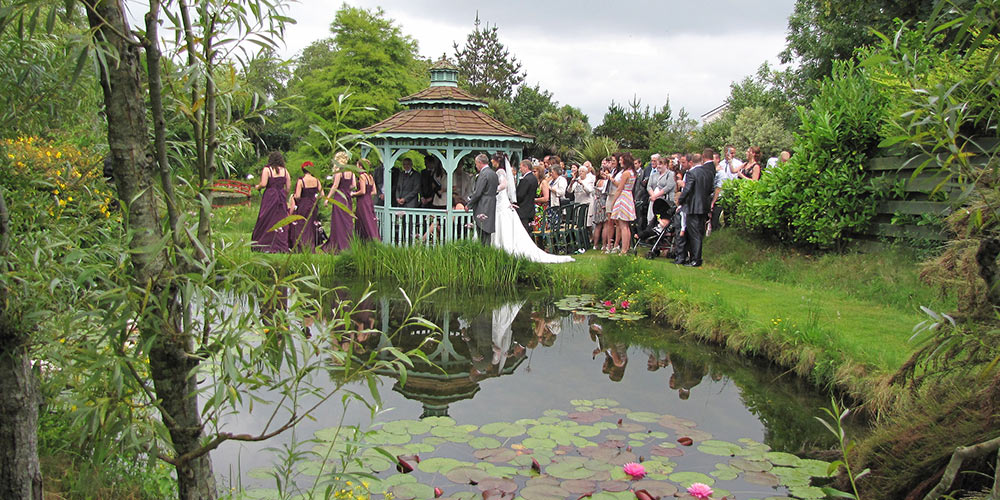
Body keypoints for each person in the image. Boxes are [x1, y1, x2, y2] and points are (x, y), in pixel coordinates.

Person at [490, 153, 574, 263]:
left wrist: (495, 191)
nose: (520, 168)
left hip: (521, 208)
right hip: (519, 206)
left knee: (519, 229)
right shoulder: (532, 178)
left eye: (521, 166)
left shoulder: (520, 178)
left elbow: (519, 194)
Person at [676, 148, 716, 267]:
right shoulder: (708, 172)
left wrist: (680, 200)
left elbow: (687, 189)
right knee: (698, 232)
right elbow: (711, 189)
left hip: (693, 206)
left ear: (692, 162)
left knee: (694, 234)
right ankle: (694, 257)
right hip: (704, 206)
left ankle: (696, 259)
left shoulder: (691, 173)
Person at [250, 151, 291, 253]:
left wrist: (257, 186)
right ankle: (280, 245)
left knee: (266, 218)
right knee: (280, 219)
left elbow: (263, 184)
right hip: (281, 196)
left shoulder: (267, 169)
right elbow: (288, 187)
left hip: (270, 196)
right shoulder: (285, 171)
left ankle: (263, 244)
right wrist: (284, 194)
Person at [321, 151, 355, 253]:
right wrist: (347, 189)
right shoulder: (351, 171)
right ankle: (348, 245)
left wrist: (327, 198)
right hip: (347, 197)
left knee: (338, 221)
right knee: (347, 221)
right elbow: (353, 185)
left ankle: (338, 245)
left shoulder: (339, 171)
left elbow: (335, 186)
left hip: (339, 197)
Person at [288, 161, 323, 252]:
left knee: (302, 225)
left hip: (303, 204)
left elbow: (298, 196)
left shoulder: (301, 181)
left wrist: (293, 196)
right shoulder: (316, 180)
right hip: (313, 204)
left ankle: (303, 246)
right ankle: (311, 246)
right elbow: (322, 194)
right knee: (311, 225)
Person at [608, 153, 636, 255]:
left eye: (621, 160)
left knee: (623, 225)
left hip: (623, 196)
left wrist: (614, 201)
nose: (619, 162)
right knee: (626, 225)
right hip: (629, 195)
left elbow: (620, 188)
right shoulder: (632, 172)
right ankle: (626, 247)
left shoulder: (626, 173)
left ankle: (624, 249)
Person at [467, 153, 497, 245]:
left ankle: (483, 253)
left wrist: (469, 205)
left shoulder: (483, 174)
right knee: (487, 233)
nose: (476, 166)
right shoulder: (493, 174)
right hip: (491, 204)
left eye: (476, 164)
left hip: (483, 205)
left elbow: (478, 192)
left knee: (482, 232)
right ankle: (487, 253)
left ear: (480, 162)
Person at [352, 158, 379, 241]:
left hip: (362, 201)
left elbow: (362, 191)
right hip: (369, 200)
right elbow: (374, 191)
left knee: (363, 220)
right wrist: (368, 194)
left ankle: (366, 239)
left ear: (360, 166)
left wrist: (353, 194)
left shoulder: (362, 176)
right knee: (370, 219)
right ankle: (372, 239)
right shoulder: (370, 176)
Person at [591, 161, 612, 250]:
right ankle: (604, 245)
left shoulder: (597, 181)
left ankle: (595, 245)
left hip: (597, 203)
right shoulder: (605, 182)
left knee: (598, 225)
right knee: (605, 224)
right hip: (603, 202)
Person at [515, 159, 538, 233]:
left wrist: (515, 201)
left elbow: (520, 195)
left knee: (523, 230)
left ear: (526, 167)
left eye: (521, 167)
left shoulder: (526, 179)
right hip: (530, 208)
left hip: (523, 209)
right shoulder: (534, 178)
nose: (520, 170)